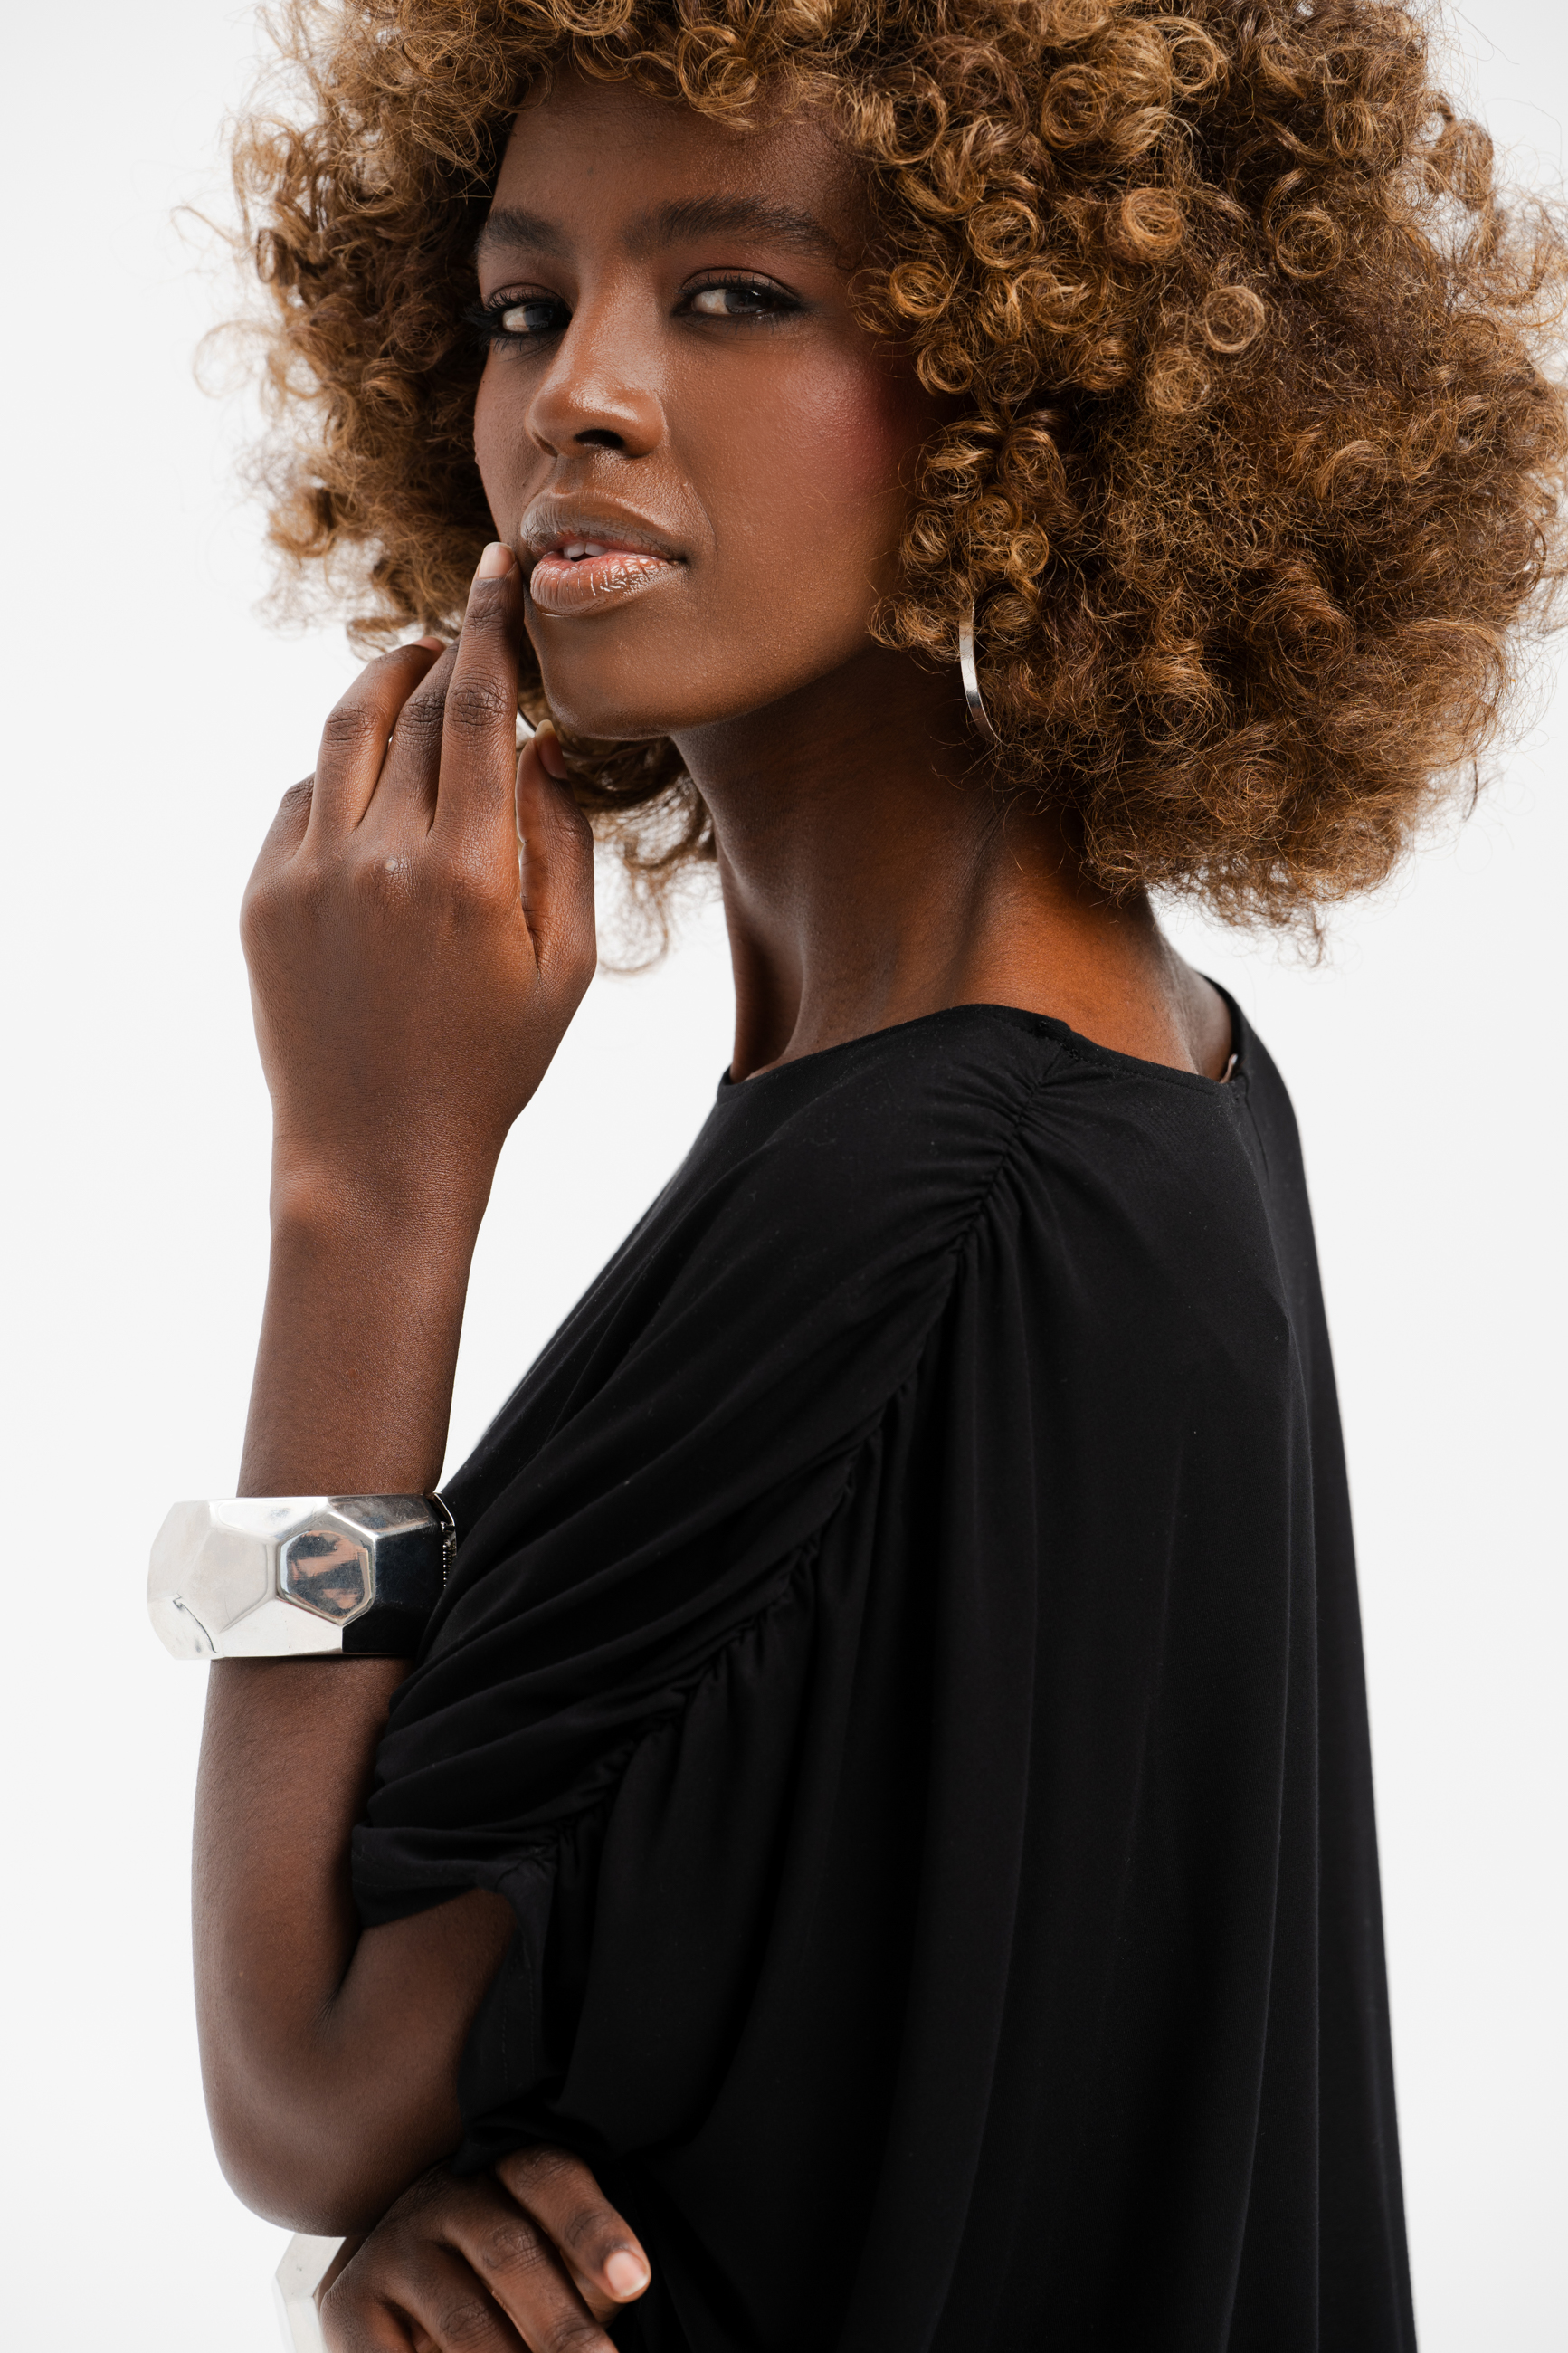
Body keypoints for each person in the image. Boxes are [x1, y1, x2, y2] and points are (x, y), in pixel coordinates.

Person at [187, 3, 1565, 2348]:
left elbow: (299, 2085)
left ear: (1033, 403)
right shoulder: (1152, 1060)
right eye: (522, 303)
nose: (576, 396)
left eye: (736, 294)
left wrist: (365, 1181)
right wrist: (429, 2218)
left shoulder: (926, 1194)